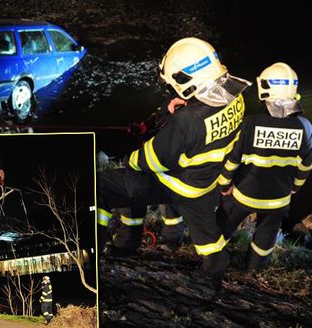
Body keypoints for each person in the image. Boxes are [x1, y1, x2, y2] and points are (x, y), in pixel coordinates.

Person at [97, 36, 251, 293]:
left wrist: (129, 160)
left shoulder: (186, 122)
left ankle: (96, 251)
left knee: (103, 187)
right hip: (204, 185)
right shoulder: (237, 98)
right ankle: (211, 279)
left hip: (173, 181)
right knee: (208, 240)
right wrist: (181, 110)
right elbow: (208, 120)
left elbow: (155, 159)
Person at [217, 62, 312, 272]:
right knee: (266, 235)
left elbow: (232, 160)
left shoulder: (250, 123)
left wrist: (224, 185)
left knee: (223, 224)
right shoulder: (305, 127)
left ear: (265, 89)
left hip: (244, 194)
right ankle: (254, 269)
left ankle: (214, 262)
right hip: (278, 199)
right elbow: (306, 165)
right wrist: (295, 188)